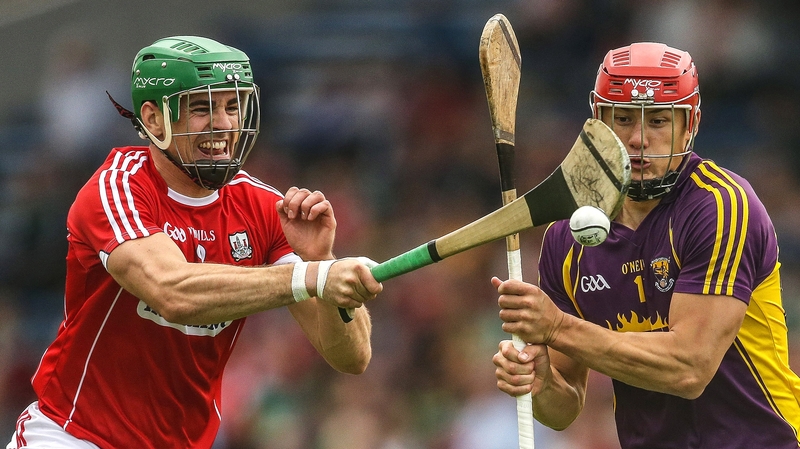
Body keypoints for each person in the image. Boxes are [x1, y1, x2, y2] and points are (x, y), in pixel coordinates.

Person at [6, 36, 382, 449]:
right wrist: (311, 277)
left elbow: (351, 357)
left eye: (232, 106)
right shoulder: (117, 190)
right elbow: (172, 291)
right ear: (153, 118)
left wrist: (323, 261)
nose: (223, 124)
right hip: (75, 437)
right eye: (203, 108)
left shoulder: (265, 208)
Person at [492, 42, 800, 448]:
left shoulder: (721, 206)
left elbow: (689, 368)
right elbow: (564, 409)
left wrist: (558, 327)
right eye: (622, 119)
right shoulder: (567, 240)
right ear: (597, 123)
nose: (638, 138)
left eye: (657, 121)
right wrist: (540, 381)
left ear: (690, 125)